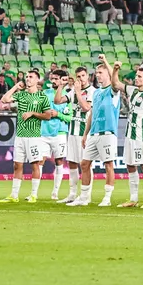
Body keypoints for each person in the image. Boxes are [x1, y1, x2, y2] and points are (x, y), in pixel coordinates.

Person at [0, 69, 58, 203]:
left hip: (34, 136)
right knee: (17, 165)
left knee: (35, 165)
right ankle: (14, 195)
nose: (28, 79)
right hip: (20, 136)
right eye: (26, 77)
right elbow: (5, 99)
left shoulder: (42, 96)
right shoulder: (21, 95)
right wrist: (15, 86)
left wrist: (33, 113)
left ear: (37, 80)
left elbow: (48, 115)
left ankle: (33, 194)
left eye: (30, 77)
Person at [70, 57, 120, 207]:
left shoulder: (113, 90)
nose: (97, 75)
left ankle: (107, 197)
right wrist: (86, 133)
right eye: (96, 73)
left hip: (107, 133)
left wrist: (106, 61)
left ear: (107, 75)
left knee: (108, 165)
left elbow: (115, 81)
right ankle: (84, 197)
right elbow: (92, 113)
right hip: (94, 133)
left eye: (100, 72)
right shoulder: (97, 93)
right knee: (84, 164)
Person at [112, 63, 143, 209]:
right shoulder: (133, 90)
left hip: (141, 136)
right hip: (129, 135)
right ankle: (133, 198)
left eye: (139, 76)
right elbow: (116, 83)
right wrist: (115, 70)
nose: (136, 78)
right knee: (130, 165)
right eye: (136, 75)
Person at [56, 66, 93, 204]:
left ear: (87, 76)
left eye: (83, 76)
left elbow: (86, 107)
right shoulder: (72, 91)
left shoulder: (92, 91)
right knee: (72, 162)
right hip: (72, 132)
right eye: (78, 76)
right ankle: (72, 194)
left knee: (85, 164)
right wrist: (60, 86)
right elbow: (57, 101)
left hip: (85, 133)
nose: (81, 79)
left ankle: (86, 196)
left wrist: (77, 92)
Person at [40, 69, 70, 201]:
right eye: (52, 78)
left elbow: (70, 118)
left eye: (56, 79)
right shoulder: (45, 93)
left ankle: (55, 192)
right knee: (40, 160)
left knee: (59, 161)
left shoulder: (68, 96)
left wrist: (59, 115)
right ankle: (34, 192)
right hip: (44, 131)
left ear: (63, 80)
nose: (53, 81)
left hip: (60, 133)